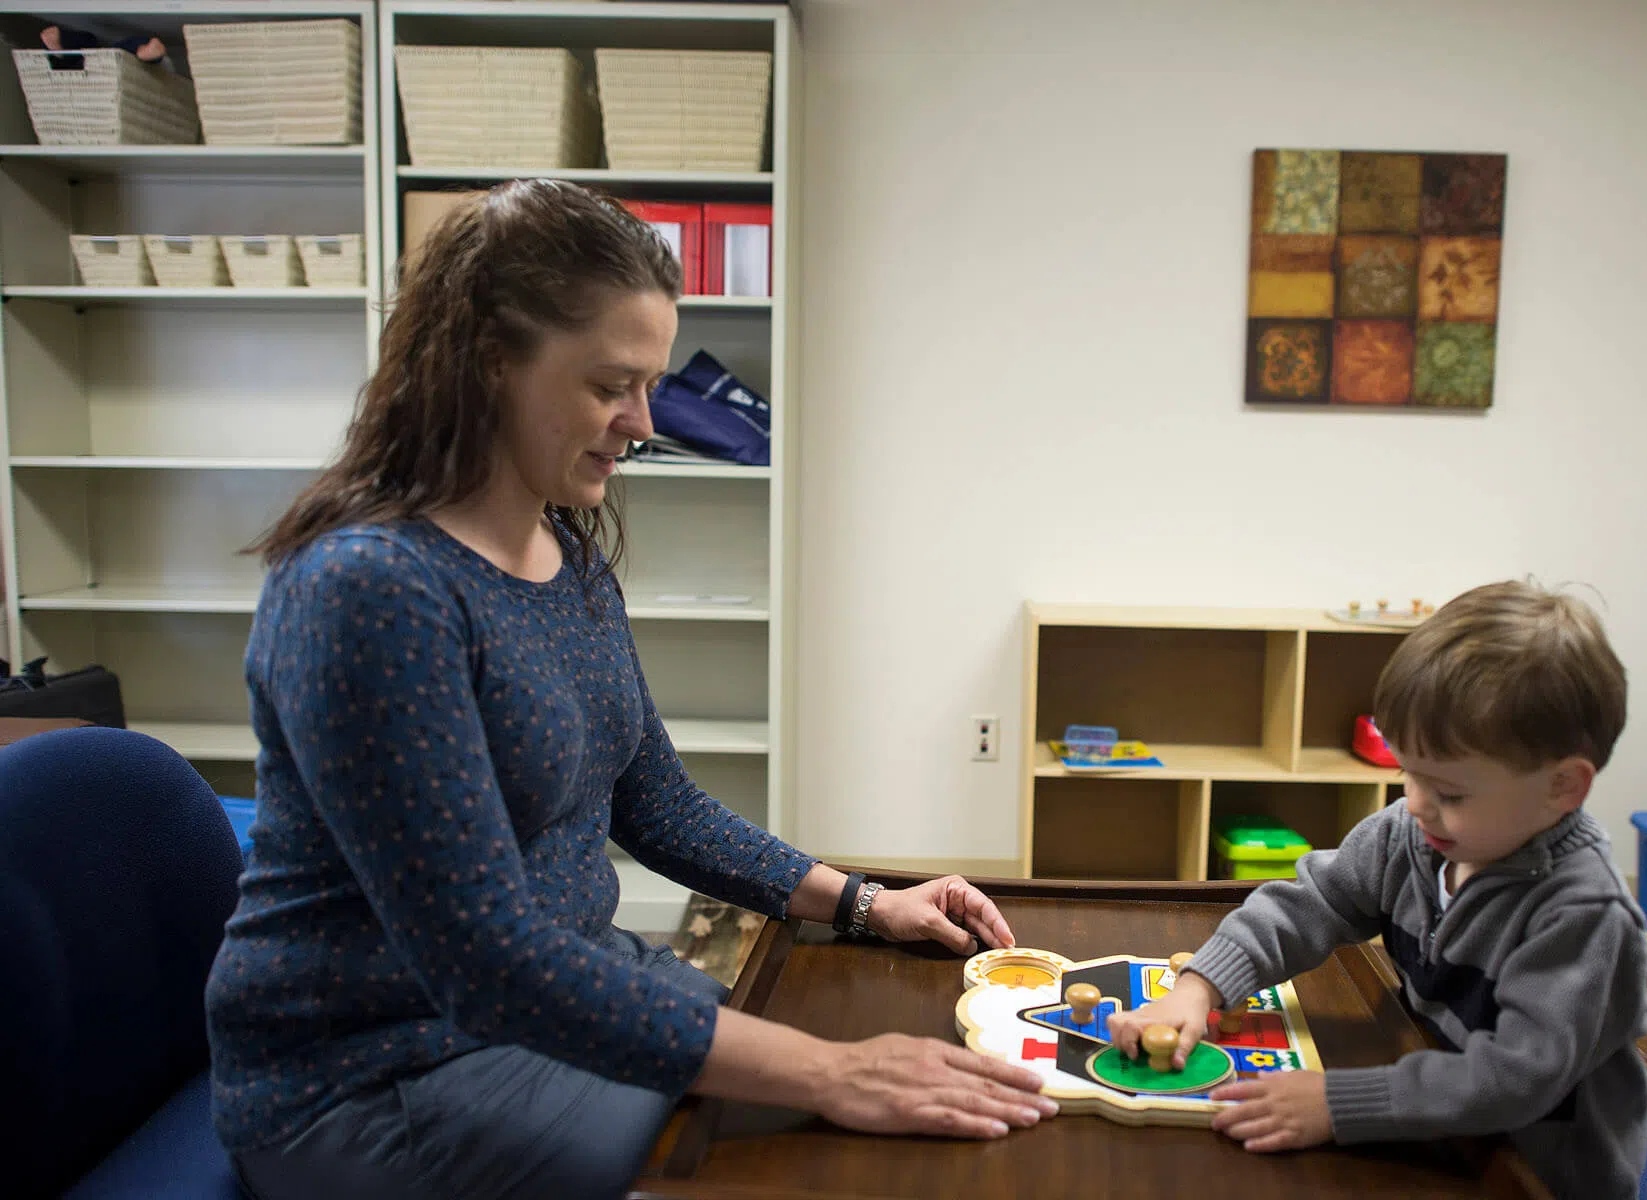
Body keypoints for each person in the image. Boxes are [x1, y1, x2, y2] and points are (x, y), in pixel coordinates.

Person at [205, 179, 1054, 1200]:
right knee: (811, 1139)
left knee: (865, 1087)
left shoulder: (561, 543)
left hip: (549, 1007)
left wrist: (867, 903)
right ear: (487, 363)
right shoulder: (370, 591)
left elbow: (653, 798)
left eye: (649, 384)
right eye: (613, 384)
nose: (644, 422)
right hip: (381, 1077)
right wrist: (833, 1074)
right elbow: (483, 959)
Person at [1109, 580, 1647, 1199]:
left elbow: (1511, 1080)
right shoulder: (1410, 836)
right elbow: (1309, 904)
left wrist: (1342, 1104)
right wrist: (1198, 987)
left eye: (1450, 793)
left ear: (1563, 787)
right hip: (1433, 1134)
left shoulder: (1583, 915)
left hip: (1539, 1176)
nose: (1415, 806)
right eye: (1407, 774)